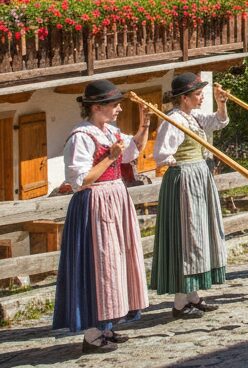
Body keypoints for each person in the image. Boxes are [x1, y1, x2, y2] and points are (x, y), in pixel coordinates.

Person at [53, 80, 150, 353]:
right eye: (114, 104)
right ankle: (93, 334)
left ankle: (107, 326)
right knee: (99, 265)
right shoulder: (81, 137)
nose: (119, 108)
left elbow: (132, 152)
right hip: (94, 203)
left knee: (116, 263)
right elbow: (79, 180)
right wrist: (109, 158)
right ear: (96, 107)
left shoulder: (110, 131)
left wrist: (144, 126)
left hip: (115, 199)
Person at [150, 73, 230, 318]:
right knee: (188, 236)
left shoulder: (192, 117)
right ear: (183, 98)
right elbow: (161, 155)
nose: (201, 97)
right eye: (197, 94)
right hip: (185, 180)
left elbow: (219, 122)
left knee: (200, 234)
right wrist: (184, 166)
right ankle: (179, 302)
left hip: (198, 176)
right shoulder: (174, 120)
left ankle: (193, 296)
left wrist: (222, 103)